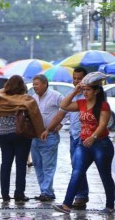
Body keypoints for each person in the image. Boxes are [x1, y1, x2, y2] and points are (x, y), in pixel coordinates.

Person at [52, 72, 115, 215]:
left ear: (96, 91)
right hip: (83, 144)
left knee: (104, 175)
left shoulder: (103, 106)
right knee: (77, 172)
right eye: (84, 90)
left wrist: (93, 136)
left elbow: (103, 125)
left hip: (101, 145)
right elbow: (64, 105)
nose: (85, 93)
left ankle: (110, 206)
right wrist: (76, 90)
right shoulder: (81, 103)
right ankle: (66, 205)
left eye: (88, 90)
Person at [0, 75, 45, 202]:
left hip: (4, 134)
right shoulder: (27, 99)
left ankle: (4, 194)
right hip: (22, 134)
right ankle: (19, 194)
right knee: (21, 164)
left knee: (6, 163)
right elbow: (36, 117)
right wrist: (40, 132)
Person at [41, 66, 89, 209]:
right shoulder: (71, 95)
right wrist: (49, 129)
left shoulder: (90, 94)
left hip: (86, 136)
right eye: (74, 78)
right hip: (74, 136)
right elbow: (62, 112)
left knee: (79, 168)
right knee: (77, 167)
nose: (76, 81)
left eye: (79, 79)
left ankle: (79, 198)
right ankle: (81, 195)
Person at [30, 74, 64, 201]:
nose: (34, 87)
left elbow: (67, 109)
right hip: (35, 136)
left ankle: (46, 192)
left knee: (48, 165)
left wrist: (61, 123)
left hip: (50, 136)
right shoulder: (33, 98)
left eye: (37, 84)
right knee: (38, 164)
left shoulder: (56, 96)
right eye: (33, 84)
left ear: (45, 84)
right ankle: (45, 191)